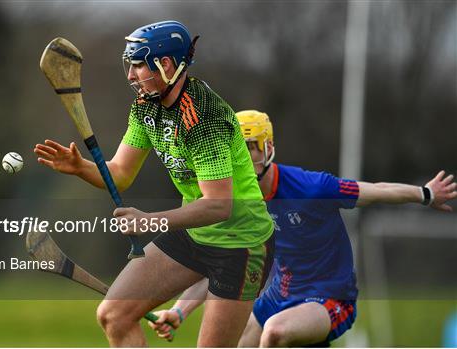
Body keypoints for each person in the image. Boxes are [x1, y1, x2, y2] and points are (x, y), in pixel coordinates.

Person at [34, 23, 275, 347]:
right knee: (114, 315)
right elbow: (119, 173)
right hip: (194, 234)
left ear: (168, 66)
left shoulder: (203, 118)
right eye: (129, 64)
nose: (131, 74)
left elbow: (219, 204)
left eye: (138, 64)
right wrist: (81, 167)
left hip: (241, 245)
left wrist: (149, 220)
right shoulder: (146, 109)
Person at [148, 110, 457, 347]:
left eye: (250, 147)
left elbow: (375, 190)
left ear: (268, 147)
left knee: (275, 332)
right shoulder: (234, 205)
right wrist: (179, 312)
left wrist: (424, 194)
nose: (243, 157)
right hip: (279, 296)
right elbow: (217, 267)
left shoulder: (310, 188)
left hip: (330, 299)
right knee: (239, 341)